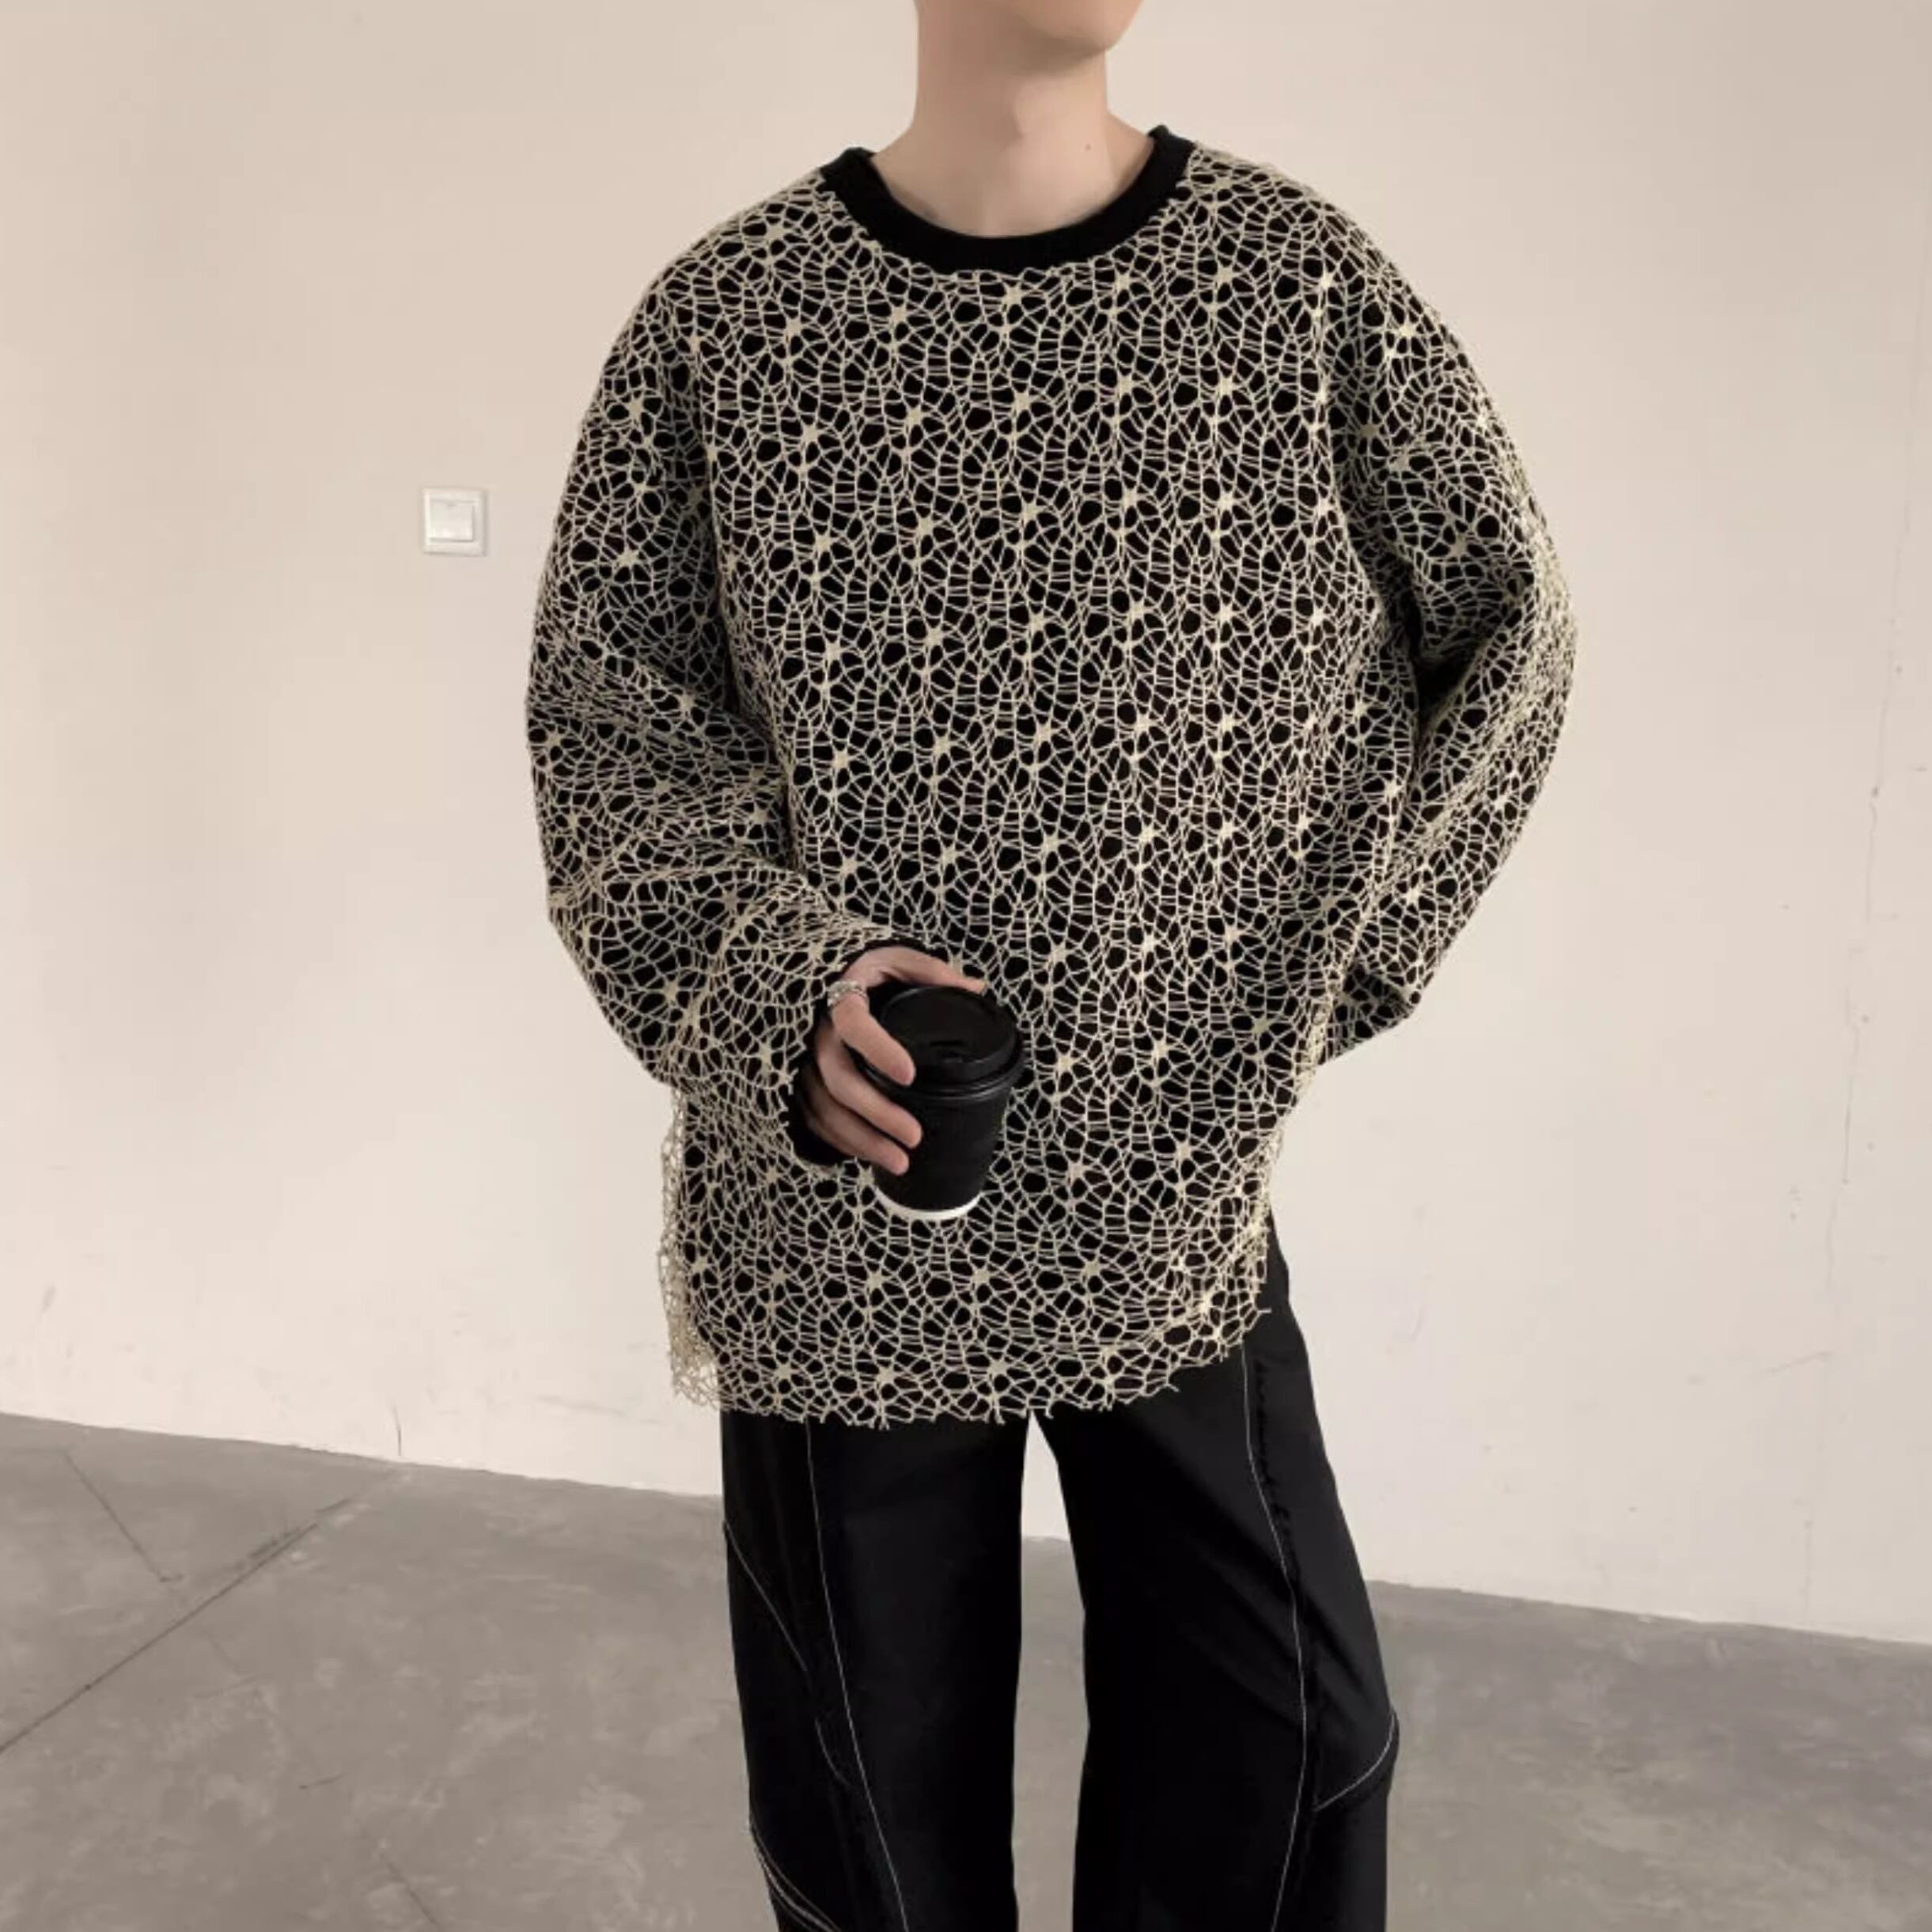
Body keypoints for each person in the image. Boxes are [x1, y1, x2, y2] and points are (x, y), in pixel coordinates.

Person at [523, 2, 1578, 1923]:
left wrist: (1308, 984)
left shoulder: (1291, 286)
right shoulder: (731, 320)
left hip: (1170, 1206)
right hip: (845, 1224)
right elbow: (614, 744)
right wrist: (776, 997)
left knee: (1293, 1755)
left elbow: (1508, 630)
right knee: (876, 1840)